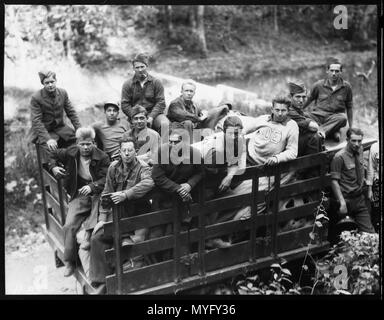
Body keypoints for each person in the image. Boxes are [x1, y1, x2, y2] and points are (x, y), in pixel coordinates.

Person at [89, 137, 154, 294]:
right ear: (119, 152)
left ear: (135, 151)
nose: (127, 154)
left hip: (138, 214)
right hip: (118, 215)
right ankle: (101, 281)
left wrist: (126, 194)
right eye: (124, 150)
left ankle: (124, 279)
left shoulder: (143, 167)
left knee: (130, 244)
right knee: (96, 238)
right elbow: (106, 192)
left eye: (130, 150)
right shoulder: (113, 167)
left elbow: (149, 183)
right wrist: (102, 219)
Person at [47, 127, 110, 277]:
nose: (86, 147)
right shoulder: (71, 152)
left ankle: (97, 268)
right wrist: (53, 166)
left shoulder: (102, 157)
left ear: (94, 143)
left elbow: (106, 178)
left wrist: (92, 187)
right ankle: (69, 261)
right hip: (79, 195)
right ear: (77, 143)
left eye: (89, 144)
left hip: (98, 195)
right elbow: (52, 154)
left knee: (95, 231)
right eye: (82, 144)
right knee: (69, 225)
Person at [192, 116, 246, 248]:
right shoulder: (213, 142)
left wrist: (229, 176)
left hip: (215, 178)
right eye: (230, 133)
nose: (234, 136)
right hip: (197, 172)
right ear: (223, 131)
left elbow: (237, 164)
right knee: (207, 201)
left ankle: (212, 234)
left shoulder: (239, 141)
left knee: (234, 200)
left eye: (237, 133)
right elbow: (196, 165)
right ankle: (206, 238)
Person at [150, 129, 204, 260]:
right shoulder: (163, 152)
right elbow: (157, 176)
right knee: (157, 235)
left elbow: (201, 172)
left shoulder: (194, 153)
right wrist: (178, 188)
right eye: (171, 142)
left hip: (185, 201)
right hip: (165, 199)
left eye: (177, 142)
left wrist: (190, 184)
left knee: (181, 232)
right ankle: (158, 265)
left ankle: (180, 263)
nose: (173, 146)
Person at [330, 128, 375, 238]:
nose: (357, 144)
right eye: (353, 141)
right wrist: (342, 203)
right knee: (343, 237)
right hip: (346, 200)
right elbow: (334, 181)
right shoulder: (339, 157)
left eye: (359, 141)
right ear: (347, 140)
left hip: (359, 200)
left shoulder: (360, 150)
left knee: (371, 236)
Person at [303, 58, 353, 142]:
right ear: (327, 71)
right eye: (331, 70)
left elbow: (349, 107)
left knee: (343, 118)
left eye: (337, 71)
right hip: (317, 116)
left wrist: (351, 128)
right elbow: (308, 100)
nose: (334, 74)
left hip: (334, 118)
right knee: (303, 115)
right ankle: (332, 132)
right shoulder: (318, 85)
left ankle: (321, 132)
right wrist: (297, 111)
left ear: (341, 72)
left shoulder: (346, 87)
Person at [30, 70, 81, 151]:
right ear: (43, 84)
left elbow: (71, 113)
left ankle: (72, 163)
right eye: (47, 83)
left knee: (77, 143)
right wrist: (48, 139)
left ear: (56, 81)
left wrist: (79, 129)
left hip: (61, 128)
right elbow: (36, 121)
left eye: (52, 82)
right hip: (45, 131)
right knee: (52, 149)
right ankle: (54, 164)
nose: (50, 85)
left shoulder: (62, 93)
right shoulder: (36, 97)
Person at [121, 53, 169, 132]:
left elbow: (161, 102)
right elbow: (125, 104)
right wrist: (135, 116)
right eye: (137, 67)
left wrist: (151, 117)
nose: (140, 70)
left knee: (164, 124)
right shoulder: (127, 84)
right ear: (133, 68)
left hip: (153, 114)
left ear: (147, 66)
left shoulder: (156, 82)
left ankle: (164, 144)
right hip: (134, 115)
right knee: (123, 128)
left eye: (142, 67)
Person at [287, 81, 323, 157]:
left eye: (304, 97)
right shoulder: (289, 110)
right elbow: (315, 127)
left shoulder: (298, 109)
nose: (301, 100)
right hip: (287, 145)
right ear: (291, 97)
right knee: (314, 137)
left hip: (293, 142)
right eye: (298, 97)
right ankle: (311, 166)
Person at [366, 141, 379, 232]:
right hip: (378, 183)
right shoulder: (375, 147)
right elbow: (371, 168)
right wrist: (370, 189)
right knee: (376, 211)